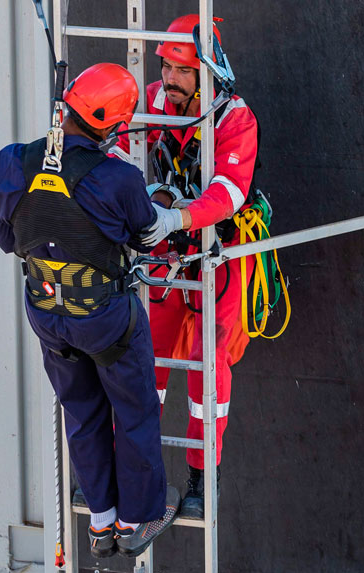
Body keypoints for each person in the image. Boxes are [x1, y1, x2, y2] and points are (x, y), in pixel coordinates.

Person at [0, 63, 180, 559]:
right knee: (134, 412)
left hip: (48, 315)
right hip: (106, 318)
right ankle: (138, 518)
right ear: (112, 126)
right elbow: (145, 236)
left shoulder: (11, 162)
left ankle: (101, 522)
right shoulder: (119, 178)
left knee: (81, 410)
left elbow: (7, 238)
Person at [116, 14, 260, 519]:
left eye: (181, 70)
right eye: (165, 67)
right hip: (166, 253)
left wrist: (177, 213)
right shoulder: (155, 101)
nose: (170, 80)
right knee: (144, 360)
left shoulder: (235, 119)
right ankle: (134, 473)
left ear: (207, 69)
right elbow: (120, 146)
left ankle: (202, 479)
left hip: (218, 256)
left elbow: (229, 193)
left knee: (208, 370)